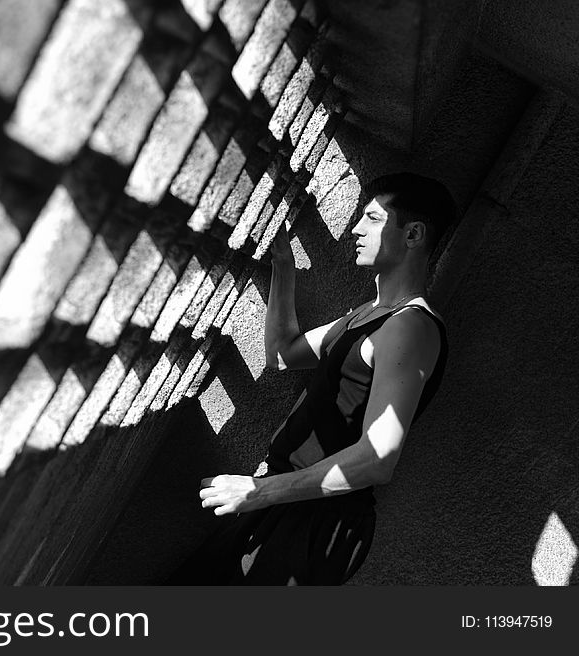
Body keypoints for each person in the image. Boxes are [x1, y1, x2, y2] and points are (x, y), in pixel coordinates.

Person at [188, 172, 456, 585]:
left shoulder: (411, 326)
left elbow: (377, 460)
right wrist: (283, 265)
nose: (355, 227)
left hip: (316, 521)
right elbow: (282, 355)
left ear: (413, 234)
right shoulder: (367, 314)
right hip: (279, 503)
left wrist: (259, 492)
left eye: (371, 218)